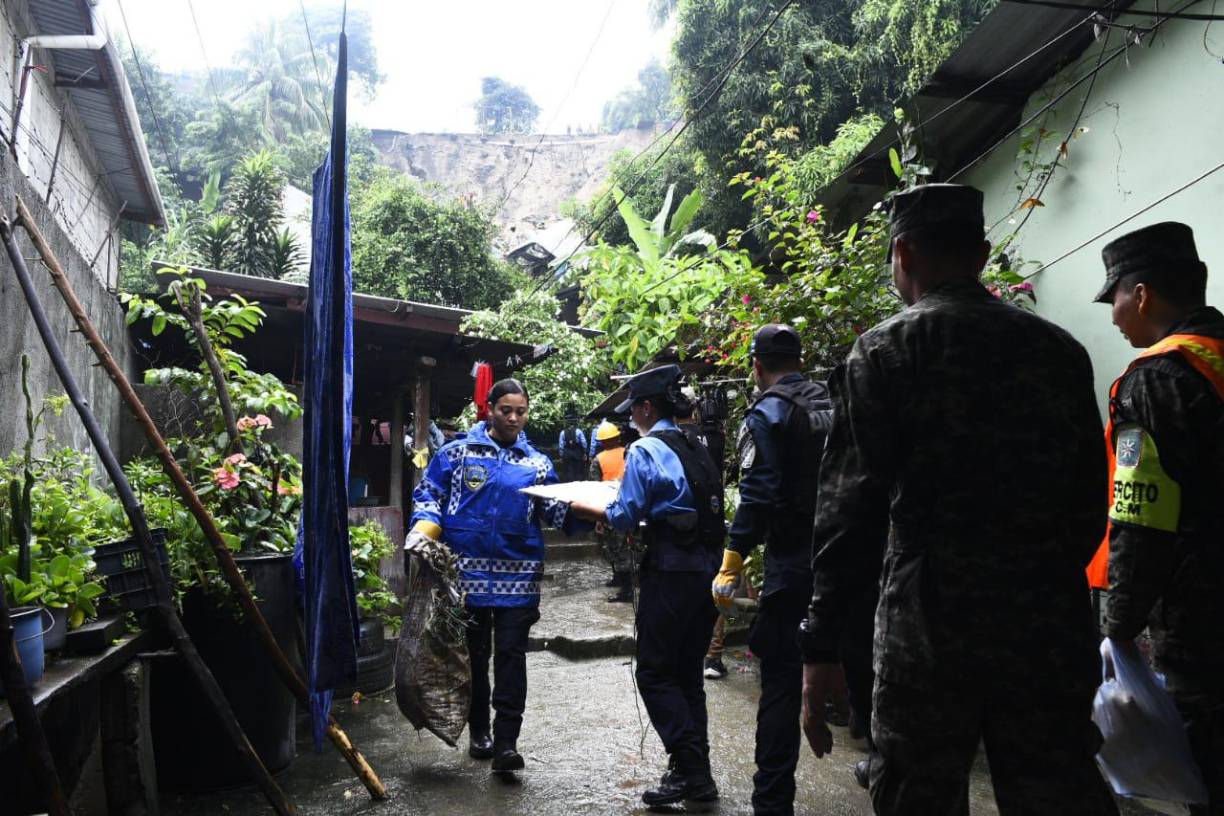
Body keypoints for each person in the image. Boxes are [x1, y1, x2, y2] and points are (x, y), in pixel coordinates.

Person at [798, 183, 1118, 816]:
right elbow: (1090, 494)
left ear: (902, 254)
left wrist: (821, 644)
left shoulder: (886, 352)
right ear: (981, 255)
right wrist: (1041, 573)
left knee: (919, 790)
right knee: (1057, 788)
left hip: (928, 623)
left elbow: (849, 512)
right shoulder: (1059, 352)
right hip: (1045, 618)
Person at [1089, 222, 1224, 815]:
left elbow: (1143, 514)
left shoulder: (1156, 379)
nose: (1115, 317)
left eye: (1115, 298)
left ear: (1140, 294)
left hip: (1204, 626)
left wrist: (1118, 623)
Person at [570, 365, 724, 808]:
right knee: (687, 675)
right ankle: (696, 773)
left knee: (655, 673)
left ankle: (691, 771)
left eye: (632, 408)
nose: (629, 417)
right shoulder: (697, 442)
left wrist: (585, 508)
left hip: (672, 571)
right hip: (707, 569)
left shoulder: (645, 449)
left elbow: (623, 514)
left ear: (644, 406)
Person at [407, 379, 571, 773]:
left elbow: (555, 511)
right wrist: (425, 526)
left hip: (521, 577)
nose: (514, 418)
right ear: (489, 409)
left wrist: (593, 511)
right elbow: (429, 494)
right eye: (506, 410)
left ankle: (507, 743)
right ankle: (479, 731)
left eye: (521, 412)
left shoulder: (538, 463)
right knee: (475, 658)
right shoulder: (455, 453)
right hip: (467, 578)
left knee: (512, 659)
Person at [710, 323, 832, 816]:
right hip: (852, 559)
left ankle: (772, 801)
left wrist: (731, 562)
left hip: (794, 563)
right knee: (862, 668)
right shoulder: (835, 401)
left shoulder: (768, 412)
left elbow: (758, 493)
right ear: (799, 360)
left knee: (781, 682)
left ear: (757, 367)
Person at [589, 420, 638, 602]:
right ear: (618, 437)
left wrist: (598, 519)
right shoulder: (631, 452)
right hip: (632, 505)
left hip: (610, 508)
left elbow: (595, 490)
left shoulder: (598, 460)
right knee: (629, 547)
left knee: (617, 550)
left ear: (602, 442)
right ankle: (623, 581)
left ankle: (626, 591)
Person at [557, 415, 589, 482]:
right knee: (579, 470)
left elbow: (561, 446)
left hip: (567, 454)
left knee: (568, 471)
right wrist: (585, 453)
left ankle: (570, 483)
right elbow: (584, 443)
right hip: (577, 453)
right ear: (574, 423)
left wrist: (561, 456)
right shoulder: (579, 431)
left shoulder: (562, 433)